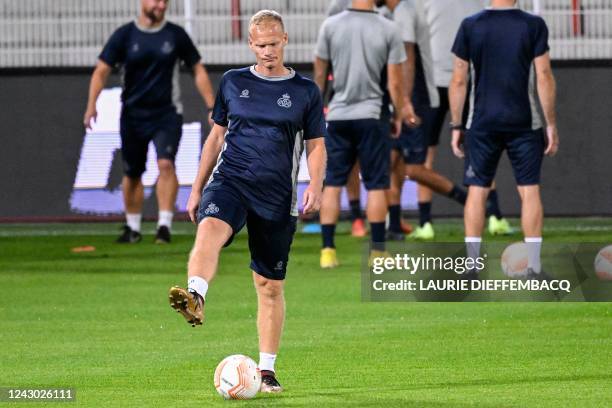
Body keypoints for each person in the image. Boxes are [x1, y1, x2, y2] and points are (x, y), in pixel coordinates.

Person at [168, 10, 327, 393]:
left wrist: (316, 184)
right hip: (231, 180)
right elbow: (215, 138)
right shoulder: (232, 82)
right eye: (261, 45)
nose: (268, 51)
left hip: (277, 196)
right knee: (209, 228)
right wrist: (195, 187)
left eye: (274, 44)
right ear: (250, 44)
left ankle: (267, 370)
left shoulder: (305, 91)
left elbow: (317, 145)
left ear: (285, 40)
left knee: (268, 285)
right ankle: (196, 295)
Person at [83, 0, 215, 244]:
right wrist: (92, 105)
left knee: (166, 164)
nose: (161, 5)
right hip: (133, 115)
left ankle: (164, 225)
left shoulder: (175, 35)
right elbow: (101, 70)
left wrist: (211, 106)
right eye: (157, 0)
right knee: (132, 172)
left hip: (167, 113)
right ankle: (132, 227)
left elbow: (197, 69)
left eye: (165, 2)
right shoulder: (125, 35)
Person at [449, 0, 559, 279]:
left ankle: (472, 268)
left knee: (477, 190)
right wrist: (551, 124)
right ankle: (533, 266)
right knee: (529, 189)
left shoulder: (470, 26)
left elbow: (459, 79)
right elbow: (544, 75)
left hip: (481, 123)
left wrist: (457, 125)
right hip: (525, 122)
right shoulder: (533, 25)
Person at [314, 0, 416, 268]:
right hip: (372, 116)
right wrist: (397, 115)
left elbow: (320, 77)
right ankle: (378, 252)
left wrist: (315, 115)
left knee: (333, 184)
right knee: (376, 184)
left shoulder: (330, 26)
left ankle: (327, 251)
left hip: (337, 116)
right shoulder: (388, 28)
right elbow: (395, 82)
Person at [423, 0, 513, 236]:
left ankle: (425, 223)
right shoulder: (479, 5)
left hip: (436, 84)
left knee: (426, 156)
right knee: (481, 155)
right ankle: (495, 216)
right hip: (466, 82)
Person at [382, 0, 470, 242]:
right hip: (401, 98)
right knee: (393, 163)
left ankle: (467, 200)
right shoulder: (394, 12)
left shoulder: (405, 12)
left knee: (412, 168)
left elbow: (408, 58)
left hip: (416, 100)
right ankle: (395, 225)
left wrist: (406, 102)